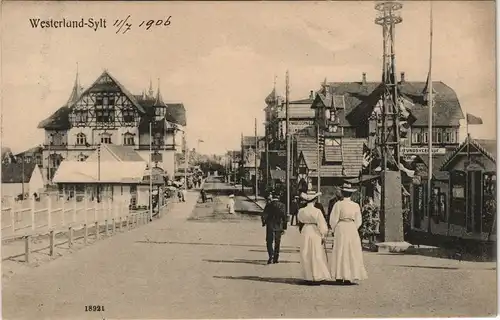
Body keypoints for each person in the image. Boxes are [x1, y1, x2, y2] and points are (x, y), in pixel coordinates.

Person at [329, 182, 368, 285]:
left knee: (340, 250)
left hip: (341, 227)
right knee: (351, 251)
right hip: (351, 227)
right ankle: (349, 275)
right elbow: (359, 221)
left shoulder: (338, 205)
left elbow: (333, 219)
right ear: (351, 194)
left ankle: (339, 275)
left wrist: (334, 229)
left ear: (342, 193)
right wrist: (353, 228)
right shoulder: (355, 205)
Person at [297, 190, 331, 284]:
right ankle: (317, 275)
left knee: (306, 252)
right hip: (315, 231)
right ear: (314, 200)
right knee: (316, 253)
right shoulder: (317, 211)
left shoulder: (301, 211)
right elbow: (322, 224)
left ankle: (307, 276)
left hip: (305, 230)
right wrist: (323, 234)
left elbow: (299, 220)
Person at [261, 193, 287, 264]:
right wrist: (284, 227)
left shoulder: (269, 205)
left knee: (269, 241)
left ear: (272, 197)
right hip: (279, 226)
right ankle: (276, 258)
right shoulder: (282, 205)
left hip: (270, 226)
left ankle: (271, 256)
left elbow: (264, 215)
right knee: (277, 242)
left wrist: (264, 223)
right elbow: (284, 217)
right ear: (278, 198)